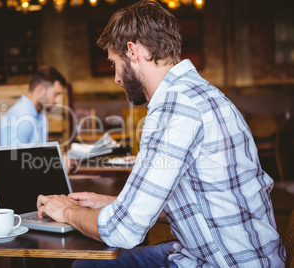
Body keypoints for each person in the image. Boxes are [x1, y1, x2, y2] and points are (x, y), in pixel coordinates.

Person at [37, 1, 286, 267]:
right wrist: (112, 202)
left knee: (87, 264)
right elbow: (199, 205)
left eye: (114, 64)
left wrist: (67, 210)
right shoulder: (200, 92)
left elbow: (124, 231)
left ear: (132, 51)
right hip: (247, 254)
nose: (117, 78)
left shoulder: (174, 108)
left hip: (223, 262)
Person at [0, 65, 67, 147]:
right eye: (56, 94)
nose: (58, 100)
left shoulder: (41, 117)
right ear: (40, 90)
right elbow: (11, 158)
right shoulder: (19, 118)